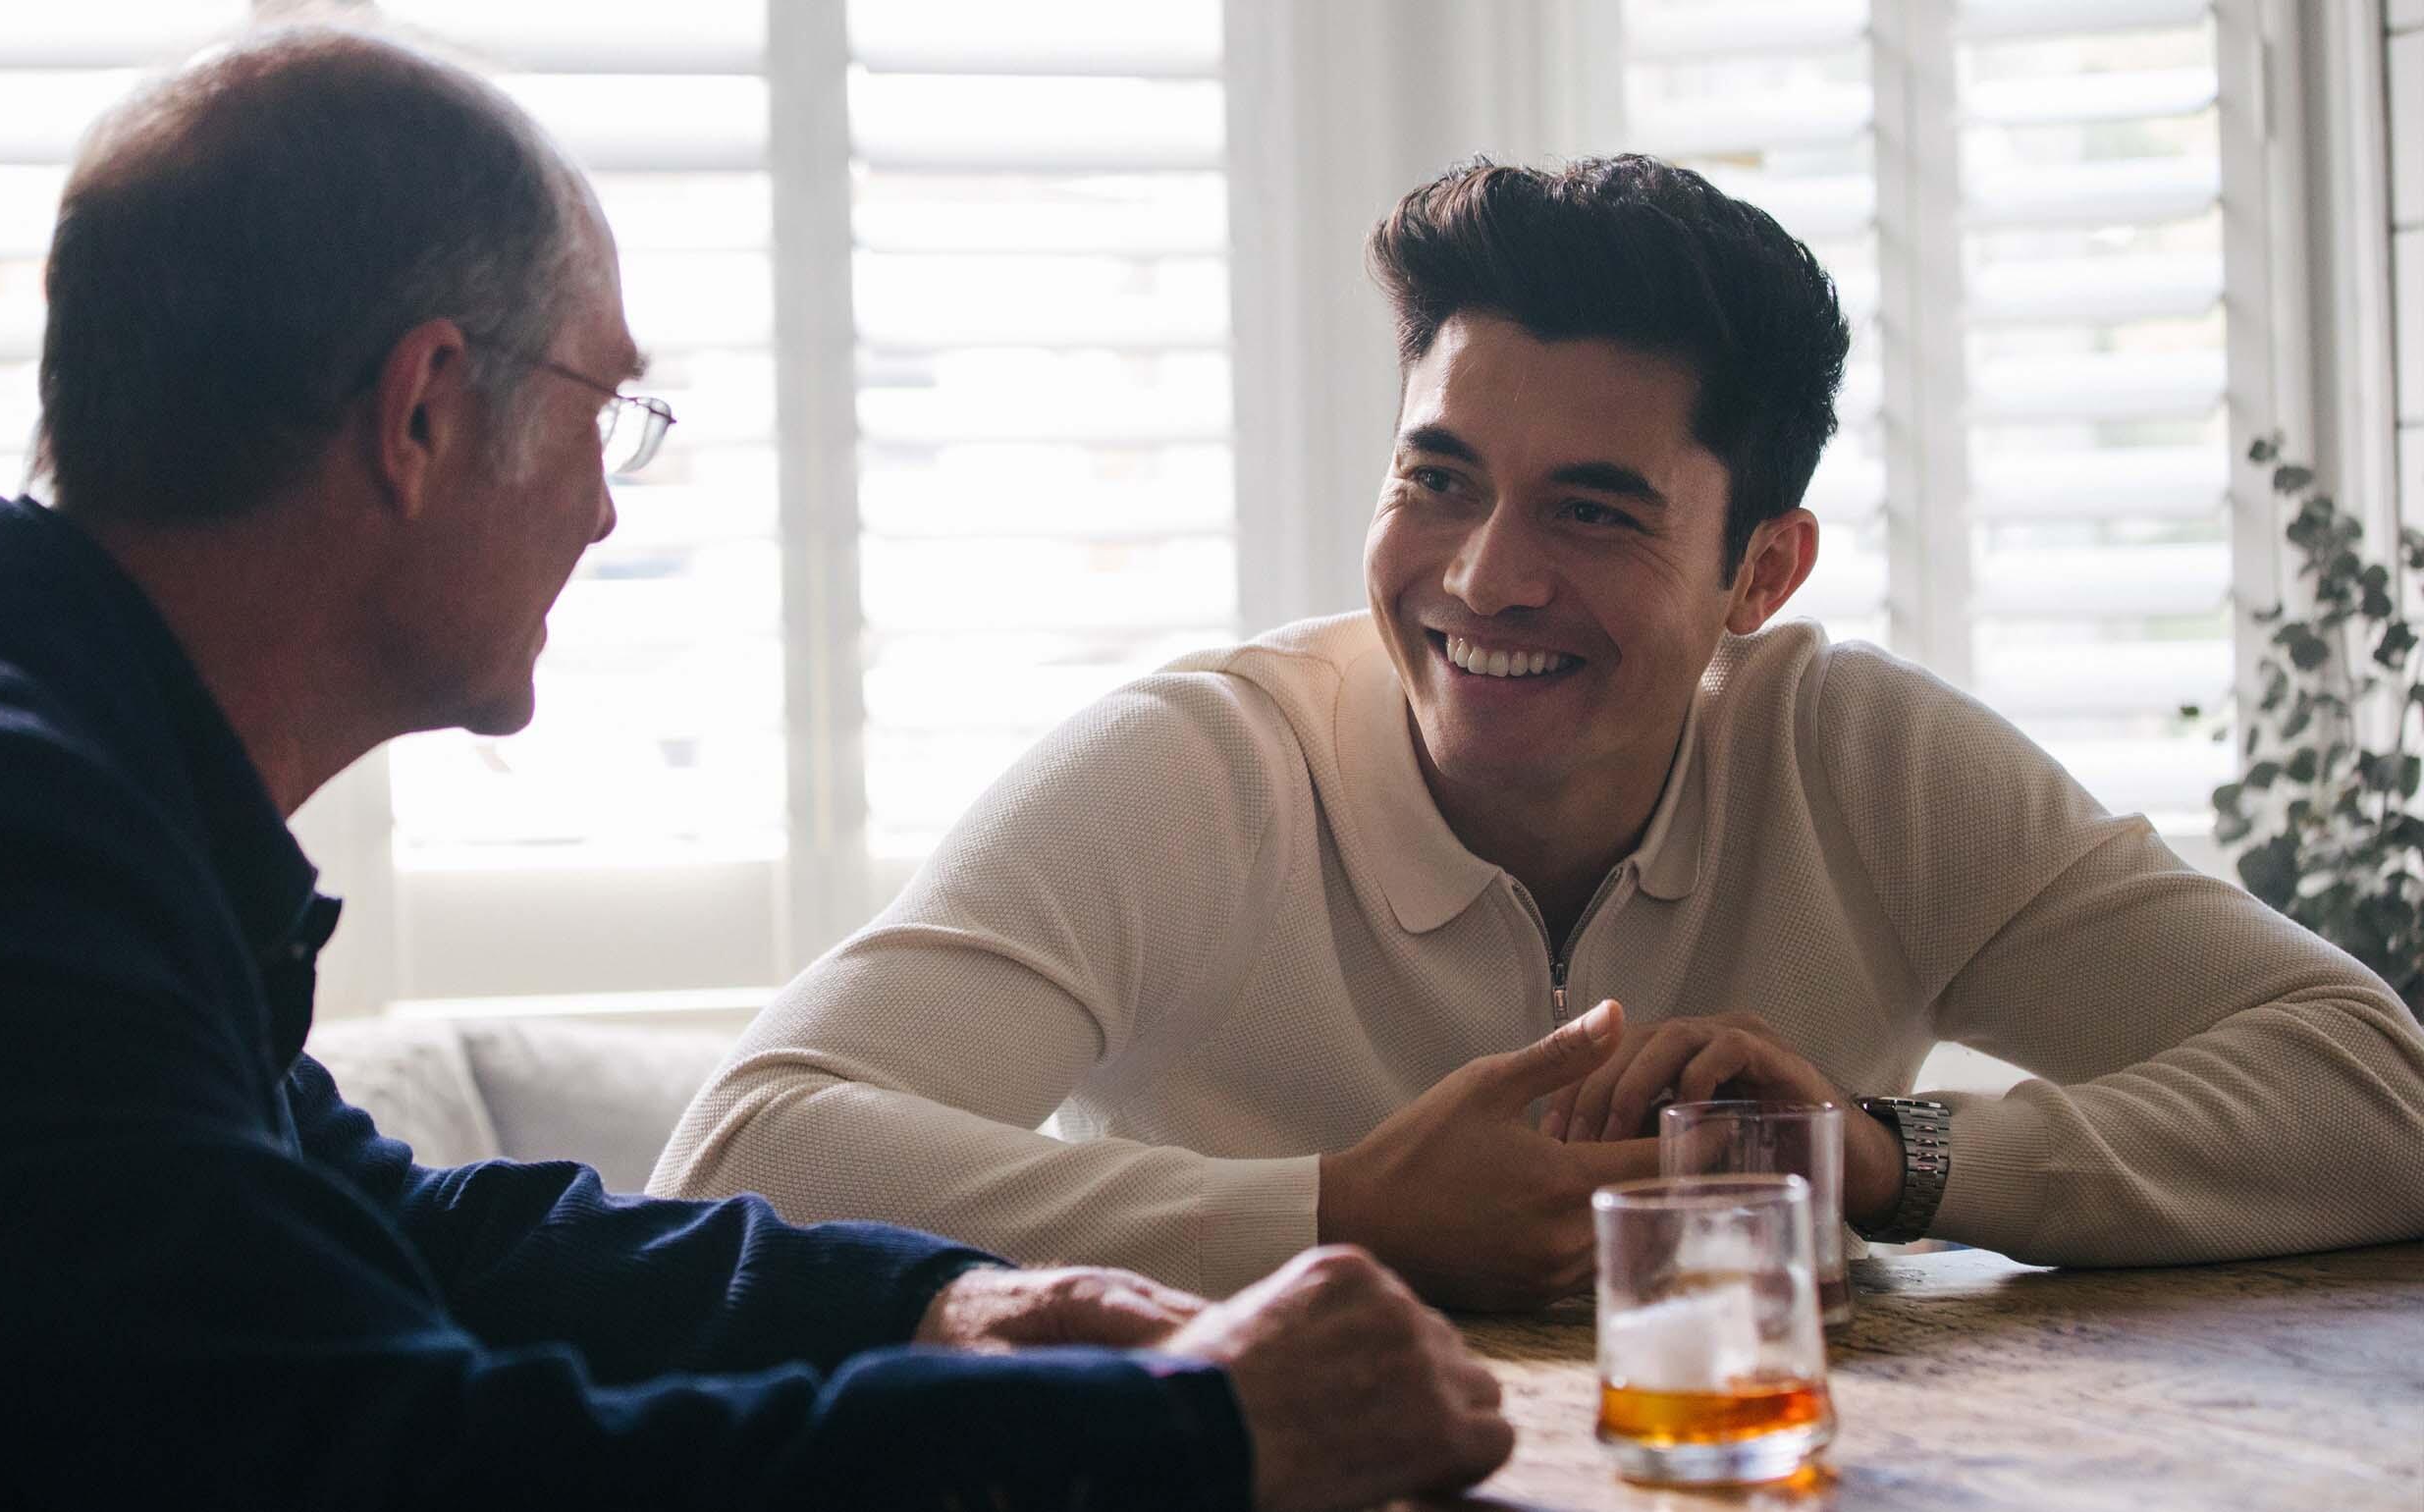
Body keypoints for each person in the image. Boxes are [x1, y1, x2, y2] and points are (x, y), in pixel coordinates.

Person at [0, 27, 1523, 1510]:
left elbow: (397, 1233)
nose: (608, 505)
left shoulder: (37, 771)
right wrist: (1180, 1435)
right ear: (424, 411)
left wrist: (936, 1301)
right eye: (608, 404)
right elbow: (404, 1468)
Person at [652, 154, 2424, 1309]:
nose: (1483, 579)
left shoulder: (1864, 763)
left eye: (1591, 510)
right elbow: (739, 1157)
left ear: (1761, 572)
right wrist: (1339, 1212)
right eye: (1438, 479)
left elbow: (2377, 1089)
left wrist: (1885, 1158)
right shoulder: (1191, 773)